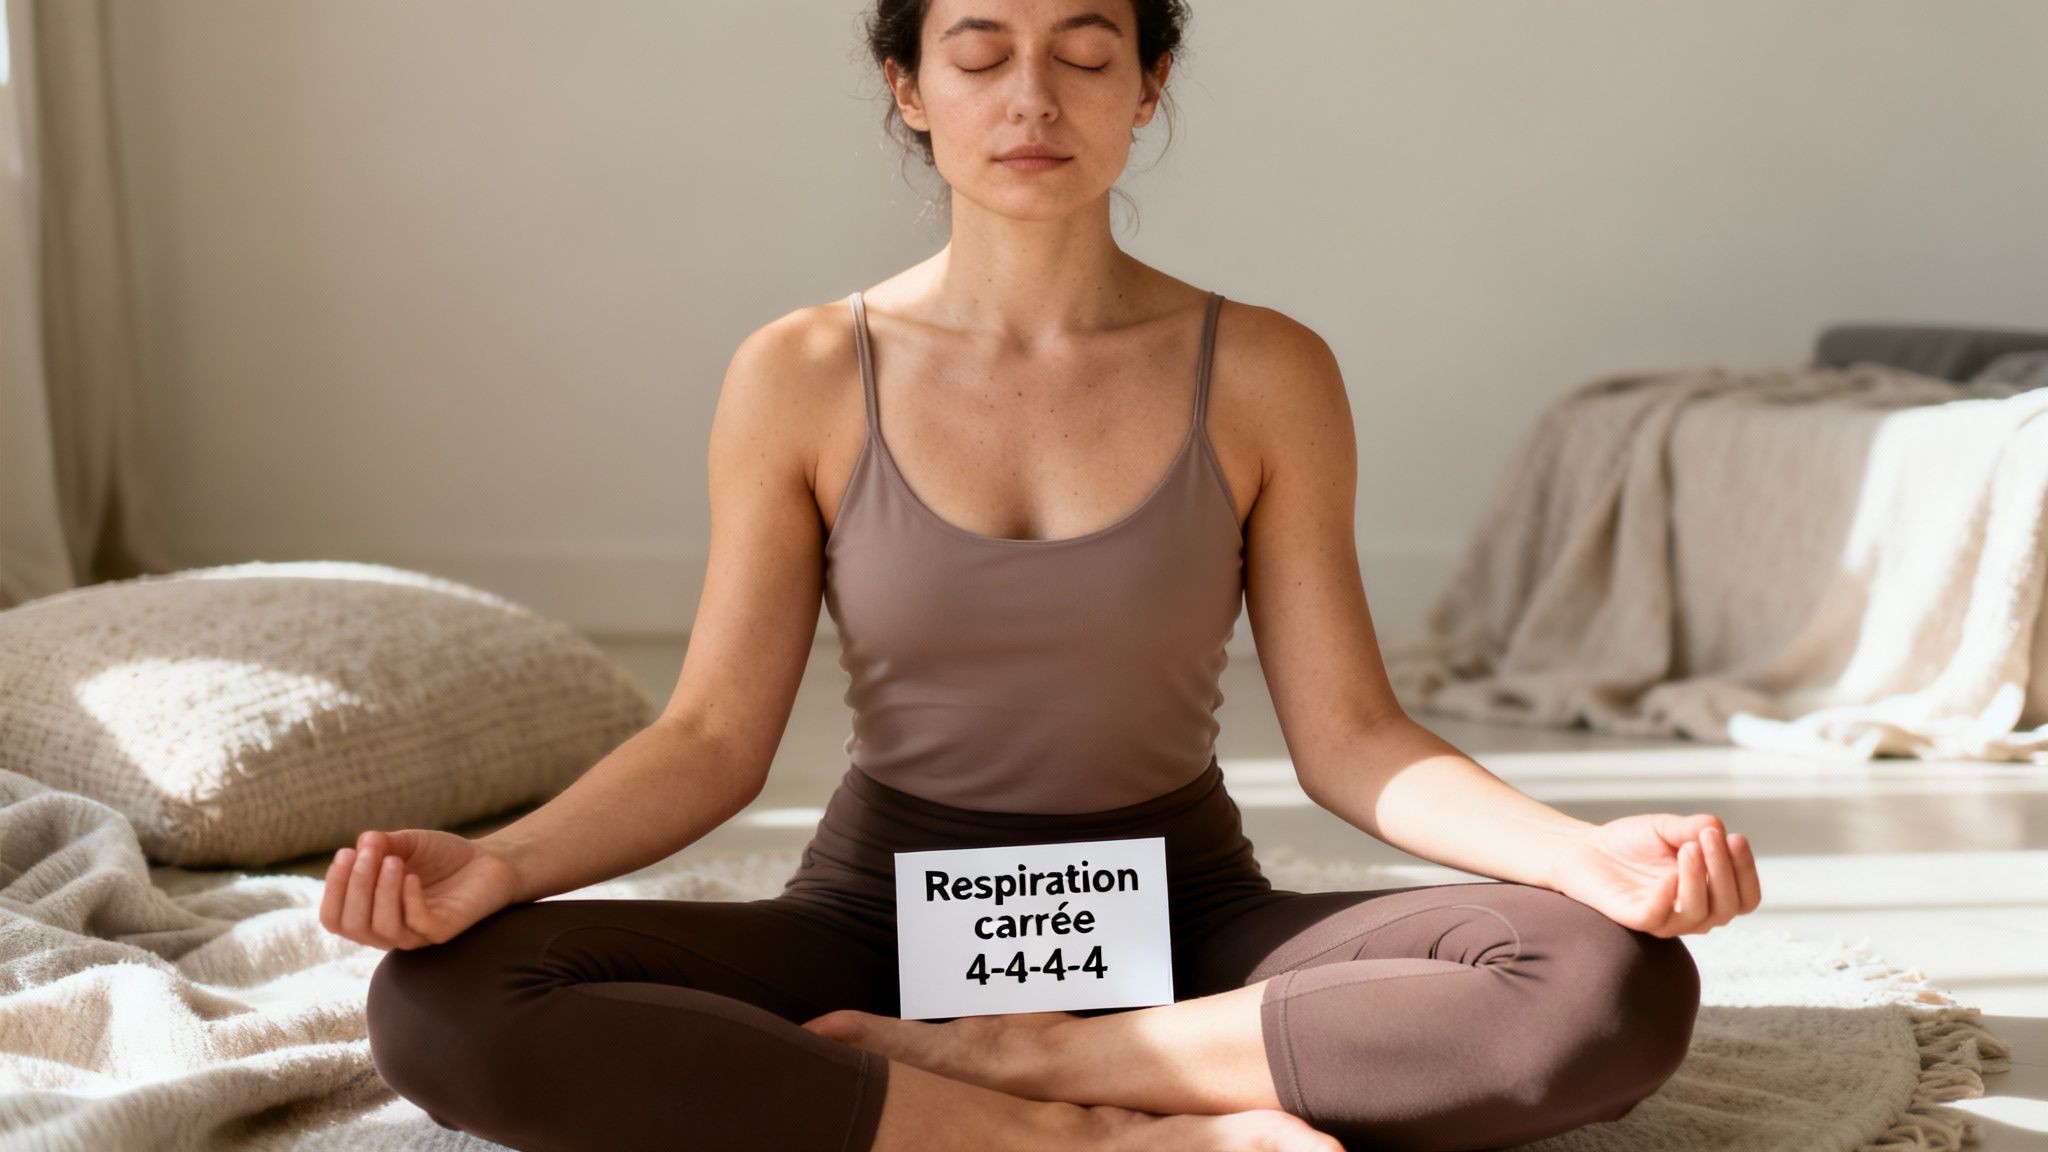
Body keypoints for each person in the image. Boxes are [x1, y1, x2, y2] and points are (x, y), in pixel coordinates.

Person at [331, 2, 1762, 1149]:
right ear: (907, 84)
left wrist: (1580, 856)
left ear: (1146, 86)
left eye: (1087, 51)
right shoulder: (804, 374)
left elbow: (1353, 740)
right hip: (877, 918)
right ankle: (1066, 1133)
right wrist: (503, 865)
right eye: (981, 52)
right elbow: (710, 738)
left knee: (1609, 984)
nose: (1035, 100)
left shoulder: (1265, 370)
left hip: (1186, 914)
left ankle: (1033, 1060)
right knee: (445, 1004)